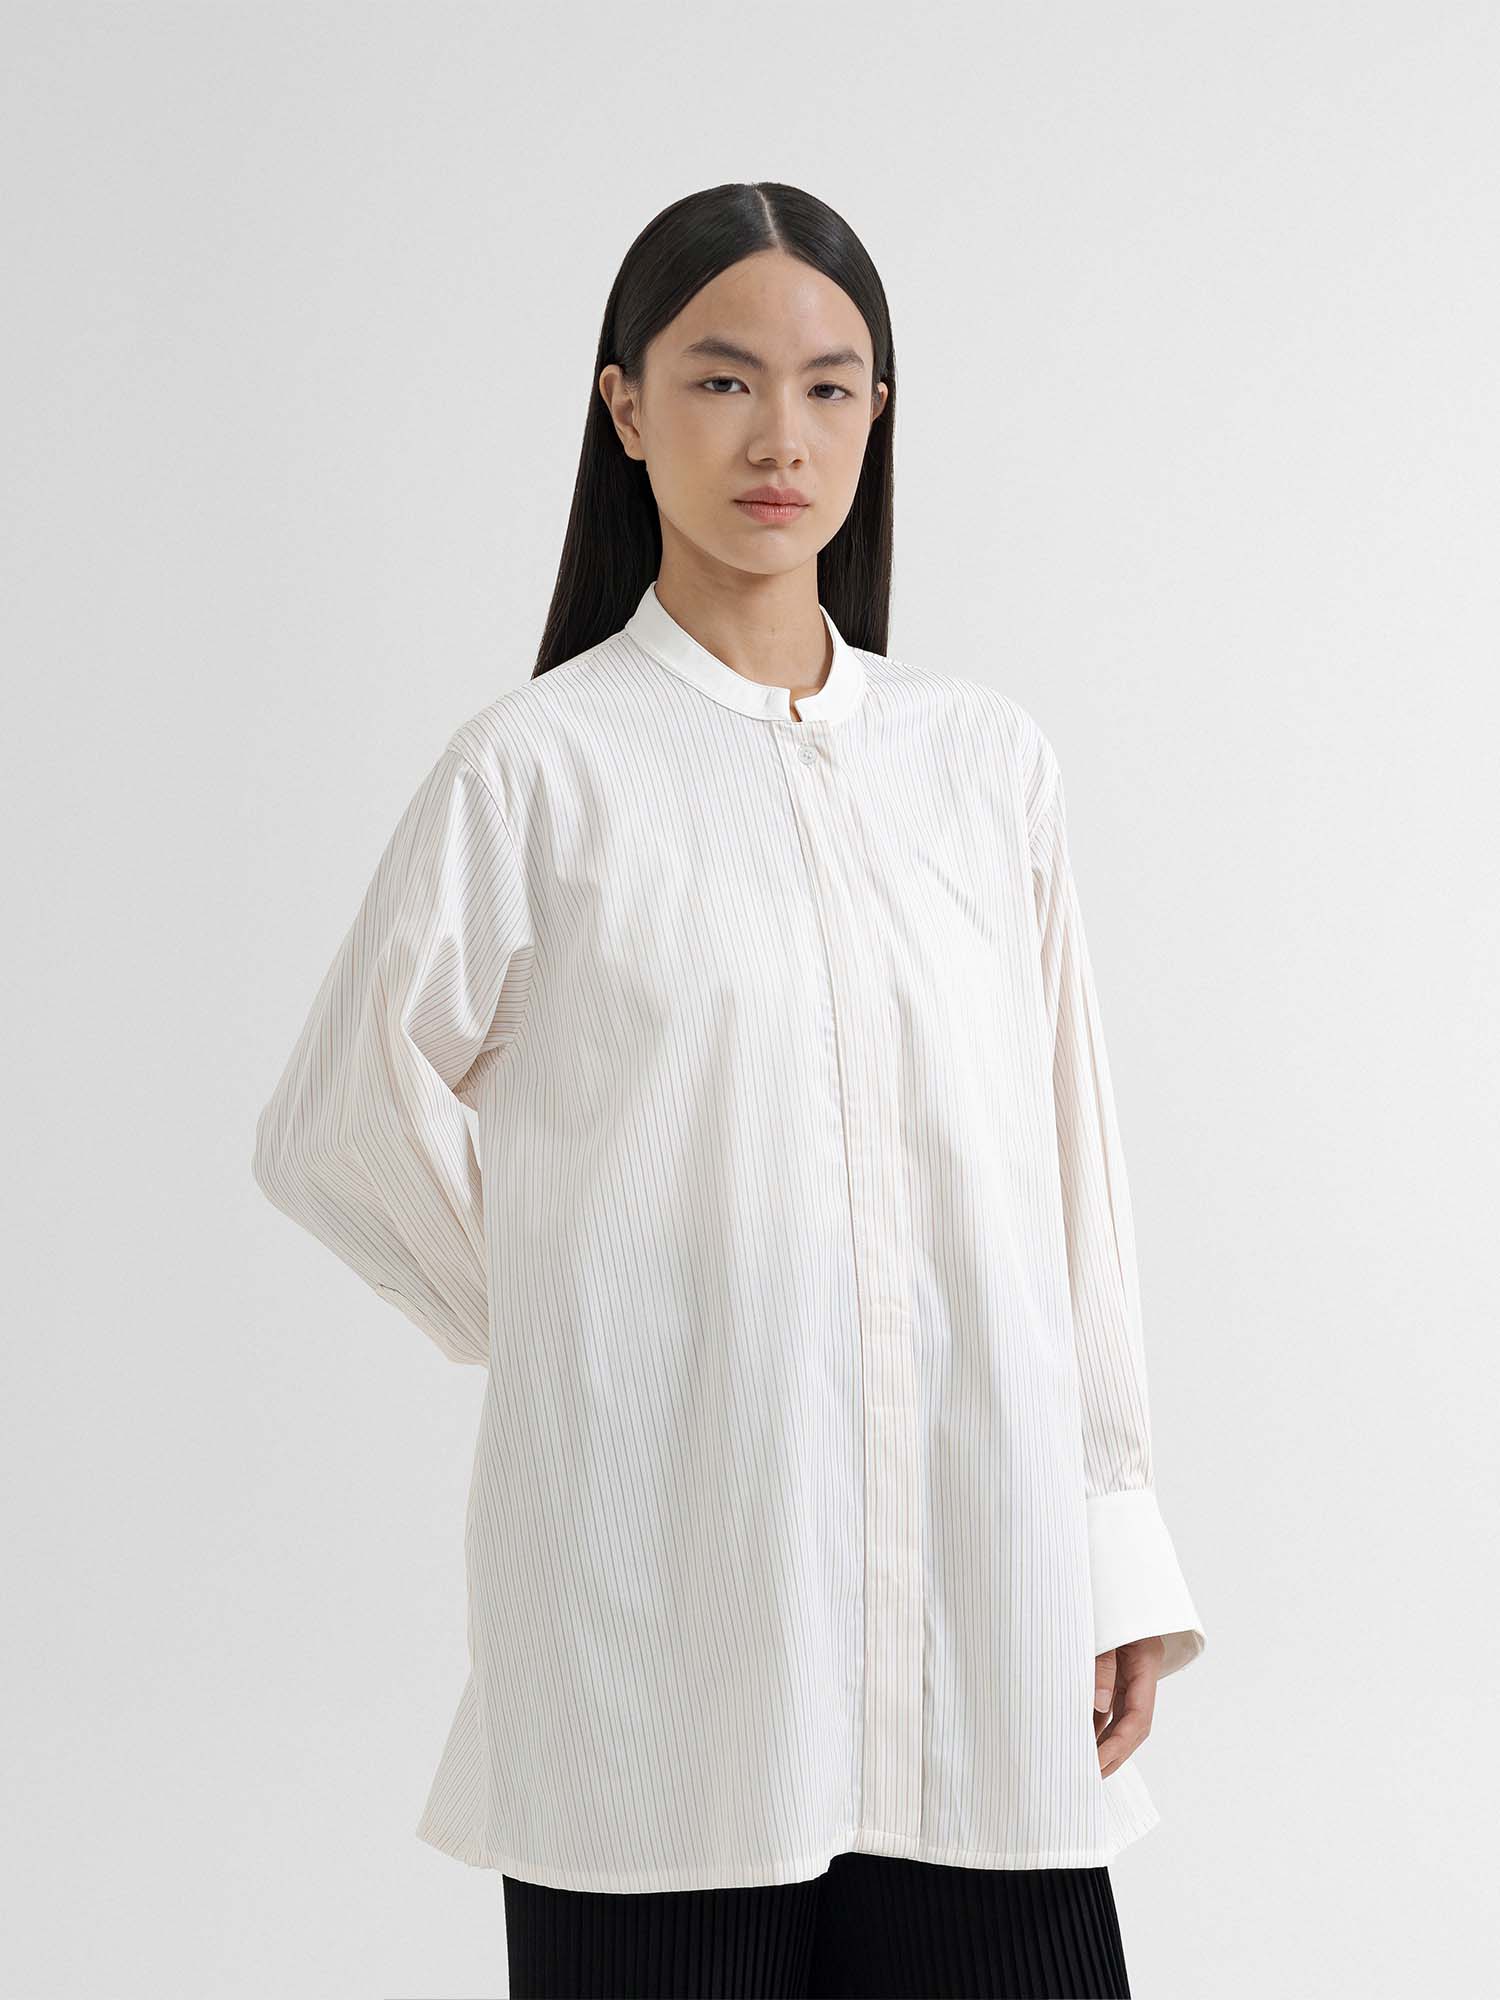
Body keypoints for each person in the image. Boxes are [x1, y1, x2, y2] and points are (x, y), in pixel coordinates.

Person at [251, 181, 1206, 2000]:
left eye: (832, 387)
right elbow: (336, 1124)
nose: (783, 437)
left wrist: (1110, 1547)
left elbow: (1073, 1186)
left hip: (978, 1619)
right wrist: (574, 1317)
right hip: (659, 1642)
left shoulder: (983, 767)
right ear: (625, 407)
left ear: (877, 414)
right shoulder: (540, 773)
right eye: (722, 380)